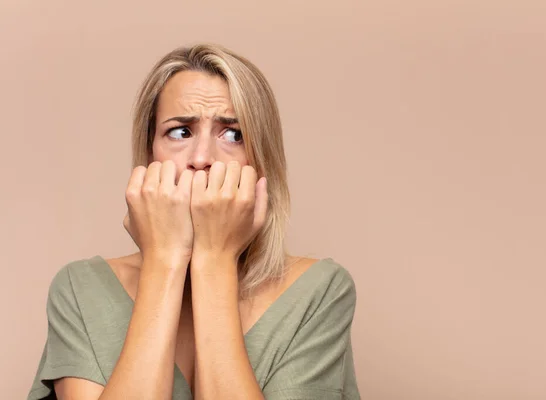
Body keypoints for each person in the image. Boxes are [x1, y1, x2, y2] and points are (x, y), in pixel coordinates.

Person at [27, 43, 360, 400]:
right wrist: (164, 257)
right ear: (149, 153)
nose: (202, 158)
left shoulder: (319, 291)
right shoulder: (81, 289)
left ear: (260, 161)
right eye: (181, 132)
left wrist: (214, 259)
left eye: (233, 134)